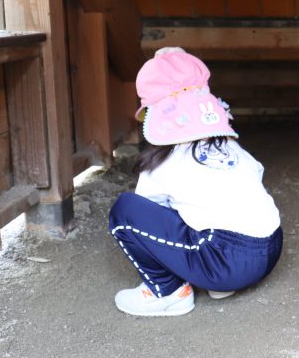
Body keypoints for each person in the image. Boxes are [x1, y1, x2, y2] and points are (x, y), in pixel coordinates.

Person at [108, 47, 283, 316]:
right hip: (270, 249)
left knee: (125, 212)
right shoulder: (228, 145)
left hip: (228, 261)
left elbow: (146, 211)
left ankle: (167, 292)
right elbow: (256, 173)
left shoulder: (165, 160)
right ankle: (220, 284)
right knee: (203, 205)